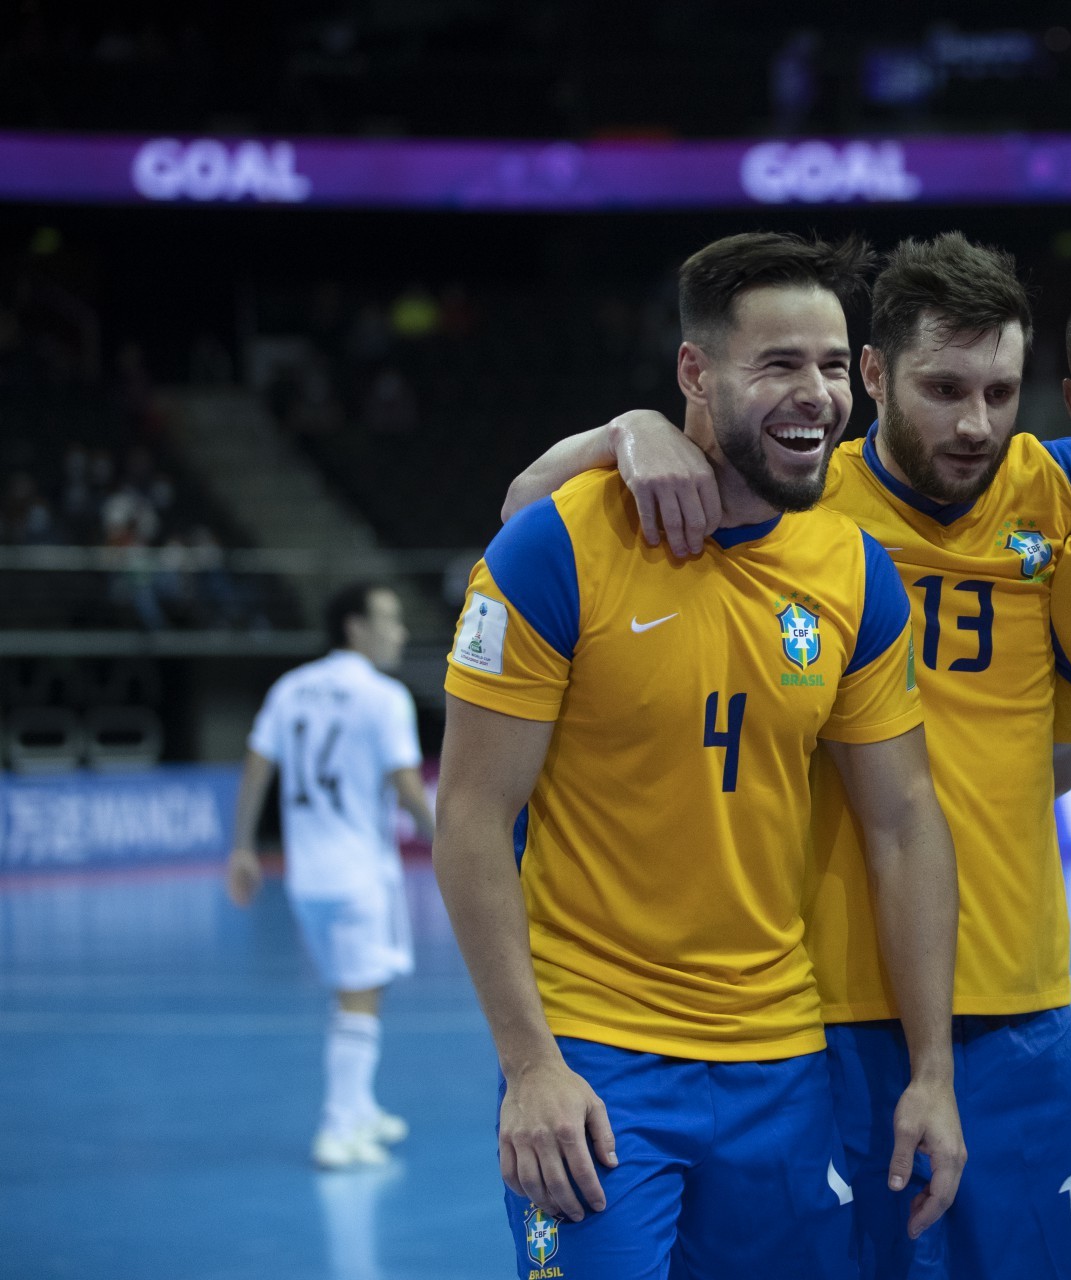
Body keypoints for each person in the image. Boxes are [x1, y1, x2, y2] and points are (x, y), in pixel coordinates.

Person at [501, 232, 1071, 1279]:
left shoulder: (1049, 485)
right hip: (836, 1014)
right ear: (872, 377)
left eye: (1000, 392)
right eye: (942, 388)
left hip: (1025, 1008)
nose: (974, 422)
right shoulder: (802, 502)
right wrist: (629, 429)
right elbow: (526, 511)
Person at [433, 231, 964, 1280]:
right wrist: (529, 1064)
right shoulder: (561, 543)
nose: (814, 393)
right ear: (695, 372)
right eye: (776, 364)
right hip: (595, 1062)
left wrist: (934, 1070)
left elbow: (904, 822)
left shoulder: (856, 572)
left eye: (827, 364)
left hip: (781, 1062)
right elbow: (468, 816)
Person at [228, 581, 435, 1169]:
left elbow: (255, 767)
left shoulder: (291, 687)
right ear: (354, 626)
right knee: (358, 1000)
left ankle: (361, 1106)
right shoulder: (384, 696)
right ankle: (337, 1127)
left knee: (359, 988)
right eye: (389, 619)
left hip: (308, 877)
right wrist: (454, 842)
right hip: (359, 875)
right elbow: (407, 789)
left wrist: (242, 846)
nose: (398, 632)